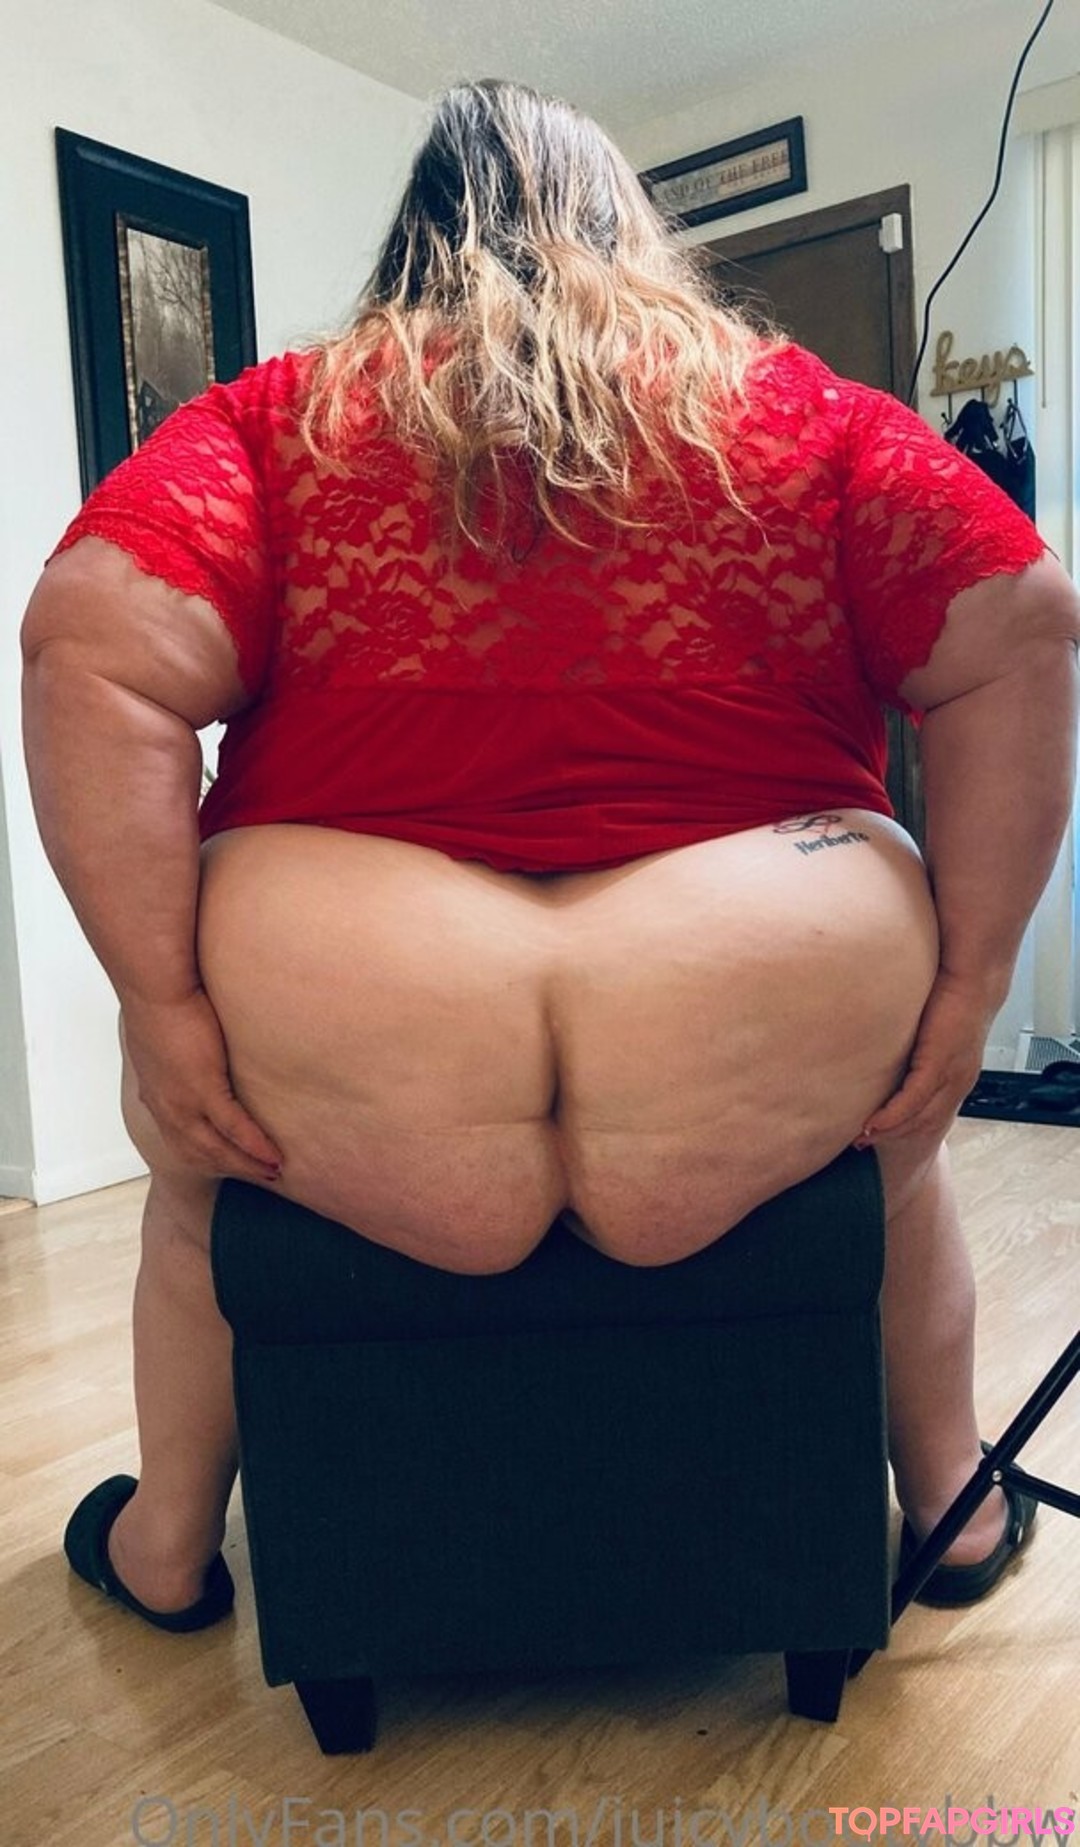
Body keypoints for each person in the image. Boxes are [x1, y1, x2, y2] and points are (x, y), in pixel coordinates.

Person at [22, 79, 1080, 1632]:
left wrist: (162, 1008)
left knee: (194, 1192)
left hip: (360, 983)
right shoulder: (807, 409)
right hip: (759, 960)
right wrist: (971, 980)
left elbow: (89, 646)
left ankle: (165, 1547)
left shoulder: (275, 414)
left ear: (413, 237)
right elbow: (1026, 626)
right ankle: (954, 1507)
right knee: (899, 1172)